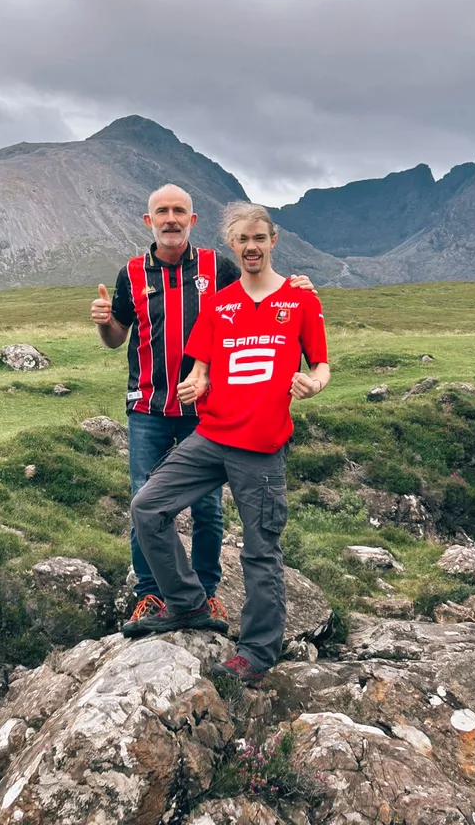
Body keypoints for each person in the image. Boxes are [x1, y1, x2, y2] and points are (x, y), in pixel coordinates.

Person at [90, 185, 317, 637]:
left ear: (192, 221)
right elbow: (117, 338)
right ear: (148, 221)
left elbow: (258, 298)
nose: (170, 219)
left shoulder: (220, 266)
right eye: (162, 212)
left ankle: (206, 591)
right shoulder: (131, 274)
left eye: (179, 212)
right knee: (146, 500)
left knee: (208, 508)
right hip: (149, 404)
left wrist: (296, 289)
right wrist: (105, 324)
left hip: (209, 409)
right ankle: (153, 595)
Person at [128, 201, 330, 686]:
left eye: (259, 238)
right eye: (242, 240)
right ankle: (189, 604)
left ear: (272, 240)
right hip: (211, 437)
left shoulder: (301, 301)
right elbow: (200, 368)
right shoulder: (220, 304)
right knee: (148, 507)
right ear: (232, 246)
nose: (251, 247)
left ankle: (258, 653)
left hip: (261, 448)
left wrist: (313, 383)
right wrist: (196, 384)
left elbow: (321, 365)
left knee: (261, 552)